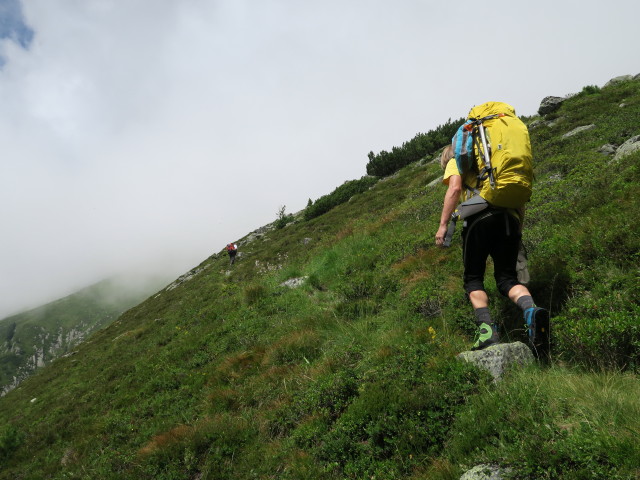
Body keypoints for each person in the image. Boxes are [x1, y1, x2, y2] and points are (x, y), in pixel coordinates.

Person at [435, 143, 549, 353]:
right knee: (507, 279)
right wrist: (517, 230)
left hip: (478, 220)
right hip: (510, 218)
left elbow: (455, 188)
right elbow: (518, 200)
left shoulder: (455, 161)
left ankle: (487, 332)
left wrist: (443, 226)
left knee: (473, 279)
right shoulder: (496, 163)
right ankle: (531, 311)